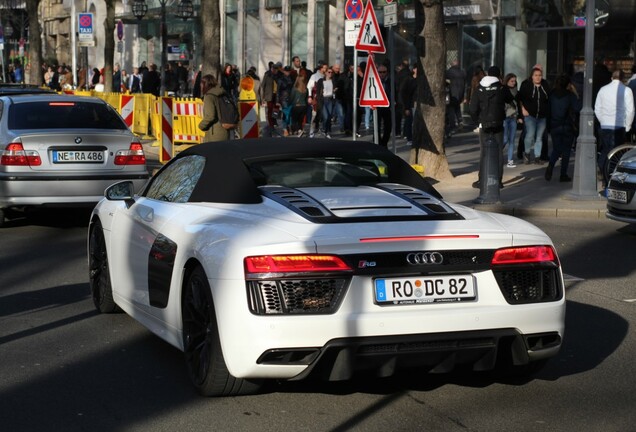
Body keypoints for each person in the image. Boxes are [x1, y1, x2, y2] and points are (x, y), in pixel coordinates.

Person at [469, 66, 513, 189]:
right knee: (498, 152)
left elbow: (472, 109)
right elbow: (510, 99)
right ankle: (498, 180)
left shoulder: (479, 88)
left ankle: (481, 179)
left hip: (484, 125)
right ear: (499, 75)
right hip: (498, 124)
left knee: (484, 152)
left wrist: (478, 121)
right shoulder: (502, 88)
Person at [594, 69, 635, 185]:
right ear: (623, 79)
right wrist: (628, 126)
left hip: (605, 125)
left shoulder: (603, 90)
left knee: (606, 150)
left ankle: (602, 170)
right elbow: (630, 110)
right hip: (619, 126)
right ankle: (609, 177)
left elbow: (597, 108)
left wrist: (603, 120)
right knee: (617, 153)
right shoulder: (627, 90)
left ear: (612, 78)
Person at [545, 74, 582, 182]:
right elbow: (577, 108)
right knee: (566, 150)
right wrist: (575, 93)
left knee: (556, 148)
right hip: (567, 126)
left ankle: (551, 165)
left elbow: (548, 111)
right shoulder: (570, 95)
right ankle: (563, 174)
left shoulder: (551, 94)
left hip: (554, 125)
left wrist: (548, 126)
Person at [517, 66, 550, 164]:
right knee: (530, 135)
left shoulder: (545, 85)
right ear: (532, 76)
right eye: (535, 75)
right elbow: (519, 98)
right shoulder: (526, 85)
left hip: (542, 116)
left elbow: (549, 99)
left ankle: (537, 157)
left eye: (540, 75)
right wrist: (522, 110)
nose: (538, 77)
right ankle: (526, 154)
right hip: (530, 115)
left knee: (539, 137)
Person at [198, 74, 230, 142]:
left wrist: (201, 126)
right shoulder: (222, 93)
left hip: (214, 134)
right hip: (225, 130)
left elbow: (210, 116)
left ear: (205, 84)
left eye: (201, 84)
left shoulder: (209, 96)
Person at [502, 73, 519, 167]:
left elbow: (518, 104)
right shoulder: (503, 90)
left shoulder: (516, 91)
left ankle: (510, 161)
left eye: (515, 81)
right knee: (504, 139)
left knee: (512, 140)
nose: (514, 82)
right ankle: (496, 153)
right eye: (511, 81)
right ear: (507, 81)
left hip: (513, 117)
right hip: (505, 117)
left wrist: (519, 116)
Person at [446, 60, 467, 130]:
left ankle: (453, 124)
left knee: (451, 108)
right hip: (460, 93)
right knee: (457, 108)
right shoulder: (462, 72)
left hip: (452, 93)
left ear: (451, 65)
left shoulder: (449, 72)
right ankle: (460, 121)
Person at [400, 64, 417, 146]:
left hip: (419, 104)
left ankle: (416, 138)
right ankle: (409, 138)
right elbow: (404, 93)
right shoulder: (408, 80)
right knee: (409, 121)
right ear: (413, 70)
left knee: (417, 122)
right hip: (410, 104)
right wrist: (406, 107)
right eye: (417, 68)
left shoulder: (421, 80)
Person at [376, 64, 392, 147]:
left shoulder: (390, 81)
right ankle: (378, 143)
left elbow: (395, 91)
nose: (382, 74)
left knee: (388, 127)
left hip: (387, 106)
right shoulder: (374, 81)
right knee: (376, 126)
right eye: (380, 72)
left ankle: (384, 143)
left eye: (384, 72)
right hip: (377, 107)